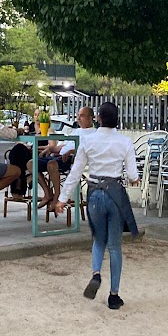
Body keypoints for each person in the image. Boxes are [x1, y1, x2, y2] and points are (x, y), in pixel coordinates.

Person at [54, 102, 139, 310]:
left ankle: (96, 273)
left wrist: (62, 199)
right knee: (115, 246)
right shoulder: (125, 141)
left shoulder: (88, 140)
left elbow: (75, 172)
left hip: (94, 194)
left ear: (98, 118)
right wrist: (134, 180)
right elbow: (132, 175)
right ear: (117, 119)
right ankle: (114, 296)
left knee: (98, 240)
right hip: (115, 194)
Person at [33, 106, 96, 207]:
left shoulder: (94, 133)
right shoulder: (76, 131)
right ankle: (48, 193)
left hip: (73, 159)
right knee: (31, 163)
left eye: (82, 116)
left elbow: (89, 150)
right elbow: (62, 146)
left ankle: (58, 196)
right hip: (60, 156)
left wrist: (71, 151)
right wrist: (49, 149)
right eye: (78, 116)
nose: (78, 118)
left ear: (90, 118)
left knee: (51, 164)